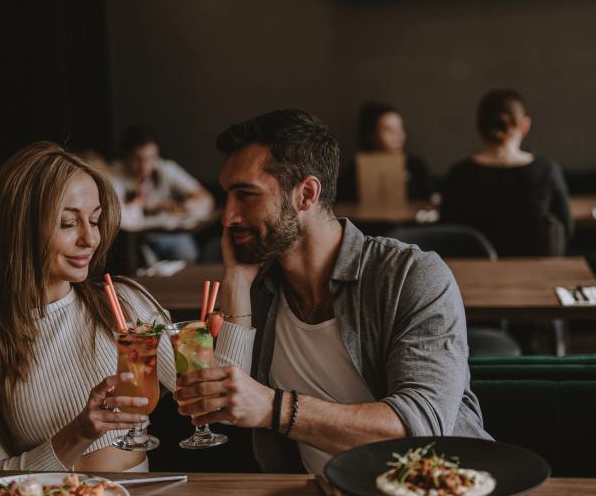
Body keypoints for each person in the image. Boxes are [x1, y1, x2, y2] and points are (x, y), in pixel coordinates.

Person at [174, 109, 489, 475]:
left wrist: (275, 409)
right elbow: (224, 409)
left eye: (246, 195)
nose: (228, 216)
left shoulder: (409, 276)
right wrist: (236, 286)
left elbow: (419, 427)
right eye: (227, 195)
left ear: (306, 194)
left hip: (439, 495)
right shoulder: (260, 289)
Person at [0, 142, 178, 473]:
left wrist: (238, 281)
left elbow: (212, 398)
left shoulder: (123, 302)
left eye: (95, 220)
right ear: (19, 229)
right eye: (68, 224)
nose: (90, 239)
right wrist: (79, 433)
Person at [441, 89, 573, 256]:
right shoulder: (546, 170)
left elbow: (445, 233)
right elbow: (566, 229)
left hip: (470, 275)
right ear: (524, 126)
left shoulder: (459, 173)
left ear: (479, 126)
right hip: (535, 275)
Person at [109, 126, 215, 263]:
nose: (144, 166)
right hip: (133, 239)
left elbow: (205, 198)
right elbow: (118, 215)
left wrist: (187, 206)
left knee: (187, 254)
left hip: (169, 235)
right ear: (125, 157)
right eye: (137, 159)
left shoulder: (165, 169)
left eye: (150, 158)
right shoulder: (113, 175)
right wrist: (156, 206)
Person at [336, 102, 433, 202]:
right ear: (371, 135)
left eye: (400, 128)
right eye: (389, 130)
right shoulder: (356, 169)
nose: (398, 135)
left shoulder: (416, 166)